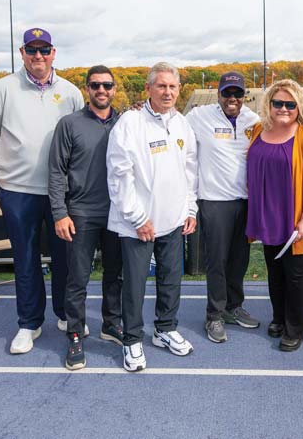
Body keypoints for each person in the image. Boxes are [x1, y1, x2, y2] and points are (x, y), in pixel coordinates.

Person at [0, 28, 85, 355]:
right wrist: (15, 164)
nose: (38, 56)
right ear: (22, 53)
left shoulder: (70, 92)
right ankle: (29, 323)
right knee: (25, 259)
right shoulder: (2, 89)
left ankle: (66, 315)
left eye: (44, 50)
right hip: (19, 191)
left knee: (65, 259)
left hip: (61, 193)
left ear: (54, 53)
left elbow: (79, 139)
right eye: (32, 50)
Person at [106, 62, 198, 372]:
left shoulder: (182, 124)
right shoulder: (130, 123)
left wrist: (190, 209)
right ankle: (132, 339)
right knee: (133, 286)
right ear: (149, 89)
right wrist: (137, 217)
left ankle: (165, 329)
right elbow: (119, 175)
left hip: (173, 221)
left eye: (173, 87)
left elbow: (189, 171)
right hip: (138, 226)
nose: (168, 92)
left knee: (170, 280)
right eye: (161, 86)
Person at [48, 65, 124, 370]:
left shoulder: (126, 123)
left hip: (119, 212)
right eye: (95, 85)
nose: (101, 90)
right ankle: (76, 333)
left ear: (114, 88)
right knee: (77, 278)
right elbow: (56, 171)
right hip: (81, 212)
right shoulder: (69, 124)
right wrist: (60, 212)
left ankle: (111, 323)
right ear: (87, 89)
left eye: (107, 85)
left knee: (115, 275)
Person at [246, 79, 303, 352]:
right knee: (275, 274)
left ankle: (295, 327)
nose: (283, 108)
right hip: (269, 217)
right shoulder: (259, 130)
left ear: (299, 107)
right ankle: (279, 317)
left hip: (296, 219)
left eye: (290, 104)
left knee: (297, 277)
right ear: (268, 105)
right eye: (277, 103)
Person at [185, 71, 261, 344]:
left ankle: (233, 306)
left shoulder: (254, 120)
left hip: (244, 201)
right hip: (214, 200)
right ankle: (214, 314)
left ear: (244, 96)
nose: (232, 98)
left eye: (237, 93)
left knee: (240, 259)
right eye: (227, 93)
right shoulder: (199, 116)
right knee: (216, 261)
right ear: (217, 94)